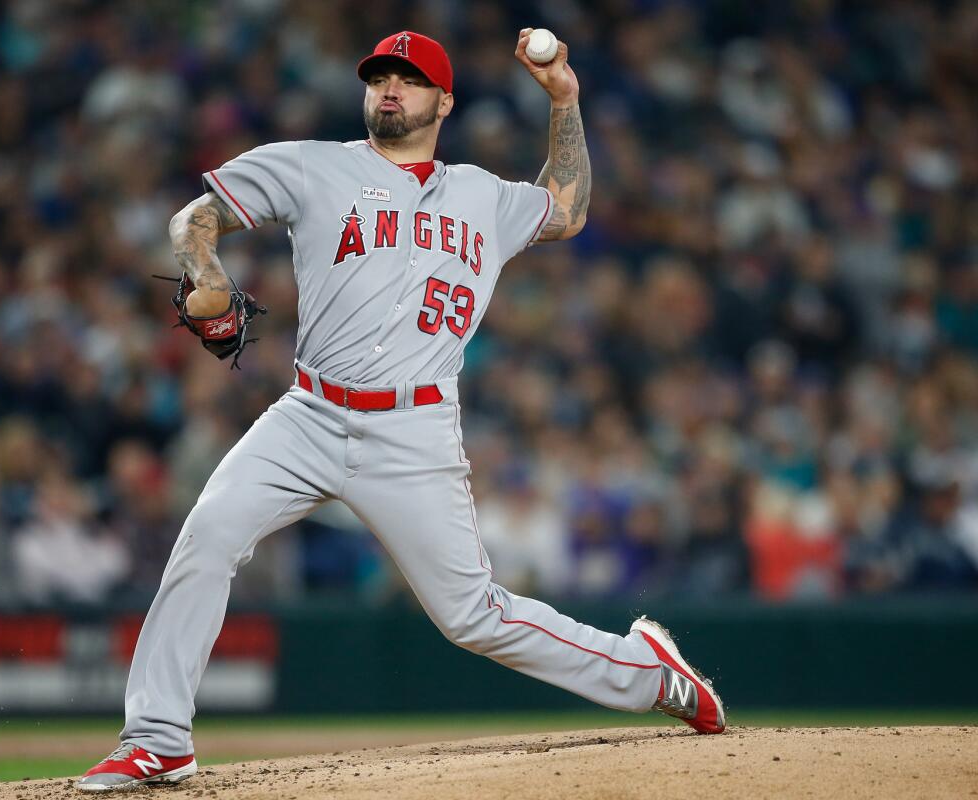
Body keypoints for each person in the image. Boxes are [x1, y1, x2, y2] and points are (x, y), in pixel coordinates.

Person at [79, 29, 725, 792]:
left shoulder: (484, 195)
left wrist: (564, 101)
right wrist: (205, 268)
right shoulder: (313, 164)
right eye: (382, 75)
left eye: (411, 80)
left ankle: (650, 673)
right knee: (207, 536)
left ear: (443, 101)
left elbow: (568, 209)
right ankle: (158, 738)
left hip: (413, 431)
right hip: (308, 413)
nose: (392, 88)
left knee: (473, 617)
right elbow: (195, 217)